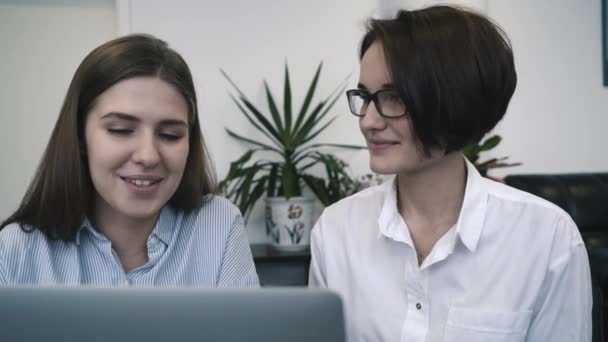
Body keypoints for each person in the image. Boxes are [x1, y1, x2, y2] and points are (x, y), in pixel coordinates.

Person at [309, 5, 591, 341]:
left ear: (456, 99)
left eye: (394, 97)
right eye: (365, 97)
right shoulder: (337, 231)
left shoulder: (545, 238)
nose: (368, 120)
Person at [0, 34, 259, 287]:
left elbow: (245, 331)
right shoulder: (15, 251)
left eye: (170, 135)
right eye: (120, 130)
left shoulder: (219, 225)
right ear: (79, 135)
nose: (147, 156)